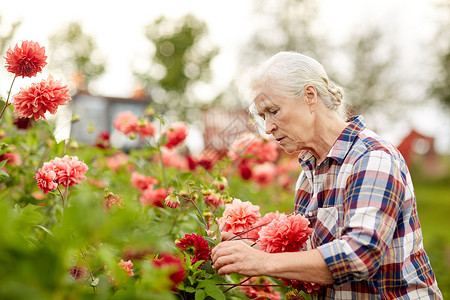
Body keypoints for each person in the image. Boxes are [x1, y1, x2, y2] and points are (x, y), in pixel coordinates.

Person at [211, 51, 442, 299]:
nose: (268, 128)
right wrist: (251, 246)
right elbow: (313, 254)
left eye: (273, 111)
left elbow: (360, 255)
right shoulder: (309, 174)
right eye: (263, 116)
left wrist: (262, 261)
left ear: (310, 96)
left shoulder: (372, 157)